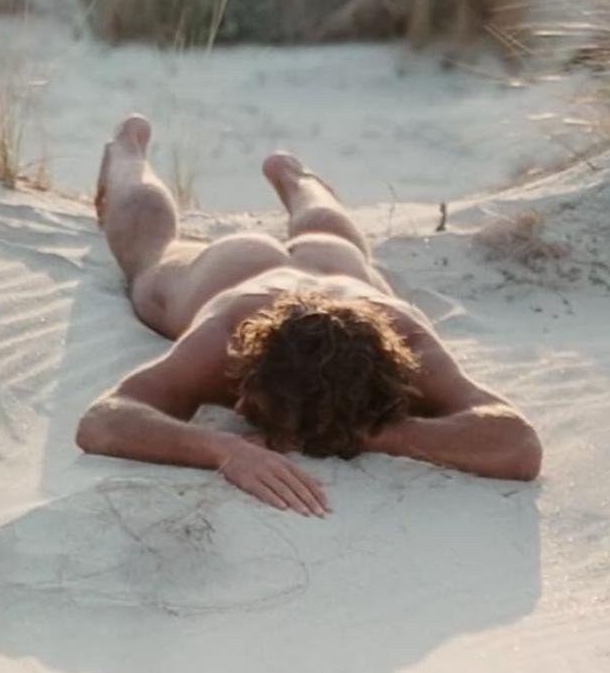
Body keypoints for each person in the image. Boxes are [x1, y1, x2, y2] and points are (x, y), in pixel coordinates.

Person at [76, 116, 541, 516]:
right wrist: (223, 449)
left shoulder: (408, 342)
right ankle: (127, 153)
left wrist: (379, 435)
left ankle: (295, 176)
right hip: (234, 273)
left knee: (334, 239)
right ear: (244, 376)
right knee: (150, 258)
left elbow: (519, 443)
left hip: (339, 272)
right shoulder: (225, 339)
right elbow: (104, 419)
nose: (241, 412)